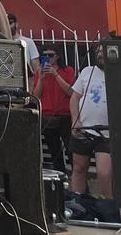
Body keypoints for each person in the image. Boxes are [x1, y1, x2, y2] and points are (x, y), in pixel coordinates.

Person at [70, 44, 111, 199]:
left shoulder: (118, 74)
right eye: (98, 51)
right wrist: (75, 120)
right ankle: (77, 203)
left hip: (107, 132)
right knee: (79, 168)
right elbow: (74, 97)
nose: (100, 54)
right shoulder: (87, 71)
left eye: (103, 51)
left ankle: (110, 206)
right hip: (84, 129)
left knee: (104, 173)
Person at [32, 46, 77, 174]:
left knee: (70, 149)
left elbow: (70, 92)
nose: (48, 58)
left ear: (57, 56)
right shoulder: (39, 73)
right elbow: (36, 96)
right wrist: (41, 78)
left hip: (65, 115)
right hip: (48, 116)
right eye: (44, 56)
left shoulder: (67, 70)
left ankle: (75, 177)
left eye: (50, 55)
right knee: (54, 151)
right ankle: (60, 179)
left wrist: (56, 75)